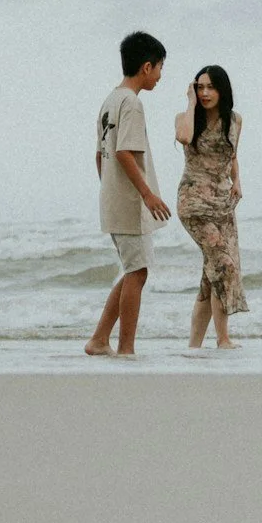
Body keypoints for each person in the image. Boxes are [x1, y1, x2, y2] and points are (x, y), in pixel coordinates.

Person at [86, 31, 172, 357]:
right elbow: (124, 152)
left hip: (114, 201)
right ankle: (126, 349)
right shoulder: (132, 104)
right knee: (138, 272)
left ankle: (99, 340)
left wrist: (110, 191)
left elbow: (100, 156)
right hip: (131, 203)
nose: (161, 76)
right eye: (161, 68)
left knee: (132, 270)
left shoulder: (110, 100)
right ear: (147, 67)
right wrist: (147, 195)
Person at [175, 64, 246, 350]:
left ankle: (194, 346)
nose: (205, 93)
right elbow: (183, 137)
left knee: (209, 277)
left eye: (210, 87)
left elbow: (232, 155)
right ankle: (223, 339)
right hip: (193, 203)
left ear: (222, 90)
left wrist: (237, 179)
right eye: (200, 87)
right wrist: (190, 103)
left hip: (223, 202)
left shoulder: (236, 120)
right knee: (223, 265)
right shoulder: (185, 118)